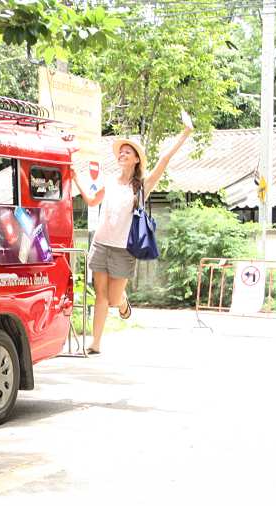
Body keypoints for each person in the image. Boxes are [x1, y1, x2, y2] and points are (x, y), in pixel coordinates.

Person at [73, 110, 194, 354]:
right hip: (100, 244)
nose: (122, 154)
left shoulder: (141, 186)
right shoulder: (108, 180)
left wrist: (185, 133)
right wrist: (75, 176)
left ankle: (124, 301)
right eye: (121, 151)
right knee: (100, 297)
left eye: (127, 152)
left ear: (136, 159)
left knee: (114, 299)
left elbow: (163, 161)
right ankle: (95, 343)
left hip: (123, 249)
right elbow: (91, 200)